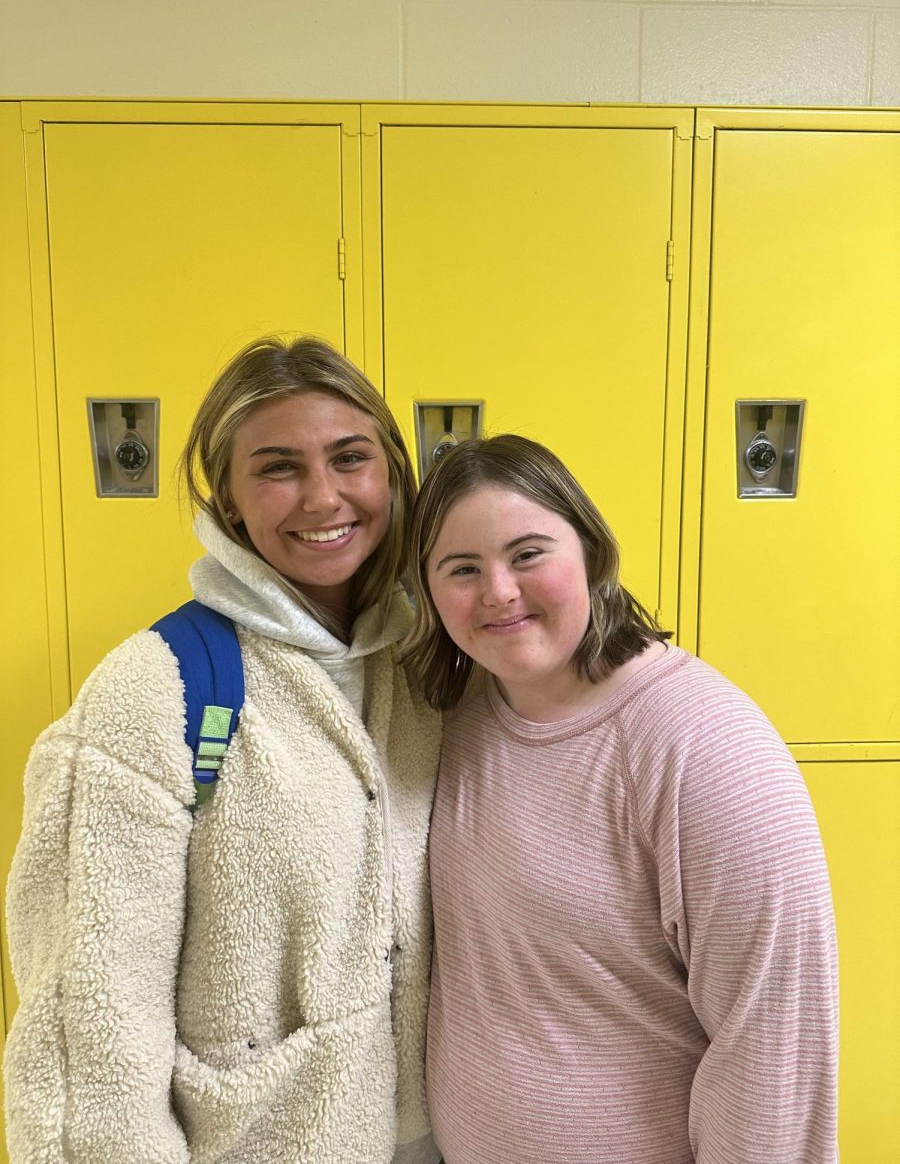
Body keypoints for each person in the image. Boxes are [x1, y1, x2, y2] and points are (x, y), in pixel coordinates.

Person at [4, 337, 442, 1164]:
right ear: (230, 500)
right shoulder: (156, 690)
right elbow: (91, 1026)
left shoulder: (426, 668)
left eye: (351, 458)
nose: (323, 497)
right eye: (278, 468)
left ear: (389, 470)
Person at [404, 433, 838, 1164]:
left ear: (592, 553)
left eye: (529, 554)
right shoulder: (454, 716)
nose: (499, 592)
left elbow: (775, 1056)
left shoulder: (707, 748)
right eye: (462, 568)